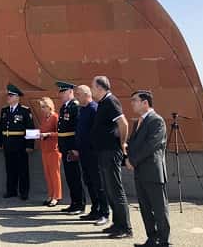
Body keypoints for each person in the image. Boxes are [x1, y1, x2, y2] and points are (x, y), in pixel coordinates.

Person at [90, 76, 133, 239]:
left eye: (93, 87)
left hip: (111, 151)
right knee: (109, 189)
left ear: (100, 88)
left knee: (116, 189)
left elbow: (124, 123)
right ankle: (117, 224)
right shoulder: (103, 103)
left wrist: (122, 143)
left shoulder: (111, 101)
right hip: (103, 151)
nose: (91, 90)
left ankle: (126, 228)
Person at [127, 90, 171, 247]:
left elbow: (151, 145)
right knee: (145, 208)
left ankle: (164, 241)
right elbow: (133, 144)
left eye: (135, 100)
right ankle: (152, 239)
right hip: (140, 172)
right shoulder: (138, 122)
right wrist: (126, 157)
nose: (132, 103)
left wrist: (133, 161)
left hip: (153, 172)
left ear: (145, 103)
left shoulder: (156, 121)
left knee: (159, 208)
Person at [72, 85, 109, 226]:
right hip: (84, 152)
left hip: (93, 153)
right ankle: (95, 209)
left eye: (78, 94)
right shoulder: (82, 110)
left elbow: (98, 132)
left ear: (87, 94)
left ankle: (104, 213)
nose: (76, 97)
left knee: (98, 183)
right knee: (89, 182)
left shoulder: (94, 109)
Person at [0, 83, 35, 200]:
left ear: (17, 97)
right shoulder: (5, 110)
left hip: (20, 144)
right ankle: (11, 190)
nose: (8, 97)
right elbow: (1, 127)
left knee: (22, 169)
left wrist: (30, 145)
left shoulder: (25, 110)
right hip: (8, 144)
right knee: (10, 169)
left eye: (11, 96)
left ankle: (24, 192)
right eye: (8, 95)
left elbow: (30, 128)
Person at [56, 81, 85, 215]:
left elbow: (78, 129)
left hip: (72, 147)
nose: (61, 94)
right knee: (69, 176)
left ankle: (80, 204)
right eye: (60, 92)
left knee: (75, 176)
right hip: (65, 146)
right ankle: (74, 203)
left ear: (70, 92)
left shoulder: (75, 106)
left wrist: (76, 148)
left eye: (63, 91)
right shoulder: (64, 107)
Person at [38, 97, 62, 206]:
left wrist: (48, 134)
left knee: (54, 174)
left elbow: (59, 133)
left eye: (44, 107)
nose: (42, 109)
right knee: (48, 174)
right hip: (45, 149)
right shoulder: (44, 118)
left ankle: (56, 196)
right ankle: (51, 194)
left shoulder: (55, 117)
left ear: (49, 107)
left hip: (54, 149)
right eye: (41, 107)